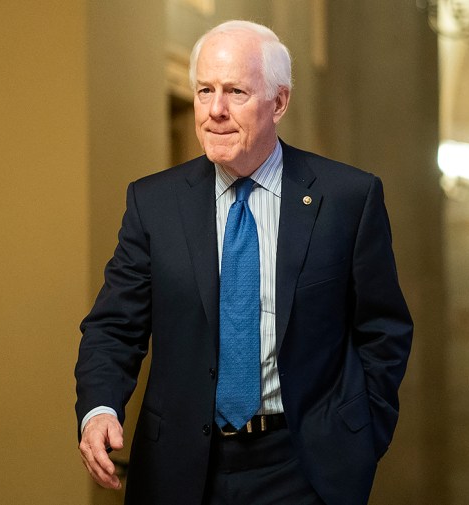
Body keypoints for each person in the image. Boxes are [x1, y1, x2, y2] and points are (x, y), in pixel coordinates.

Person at [74, 20, 413, 505]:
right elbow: (113, 327)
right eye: (205, 90)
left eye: (235, 91)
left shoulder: (347, 199)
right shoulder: (154, 203)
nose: (215, 110)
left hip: (303, 467)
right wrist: (100, 408)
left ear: (279, 102)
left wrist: (360, 435)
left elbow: (383, 330)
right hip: (180, 470)